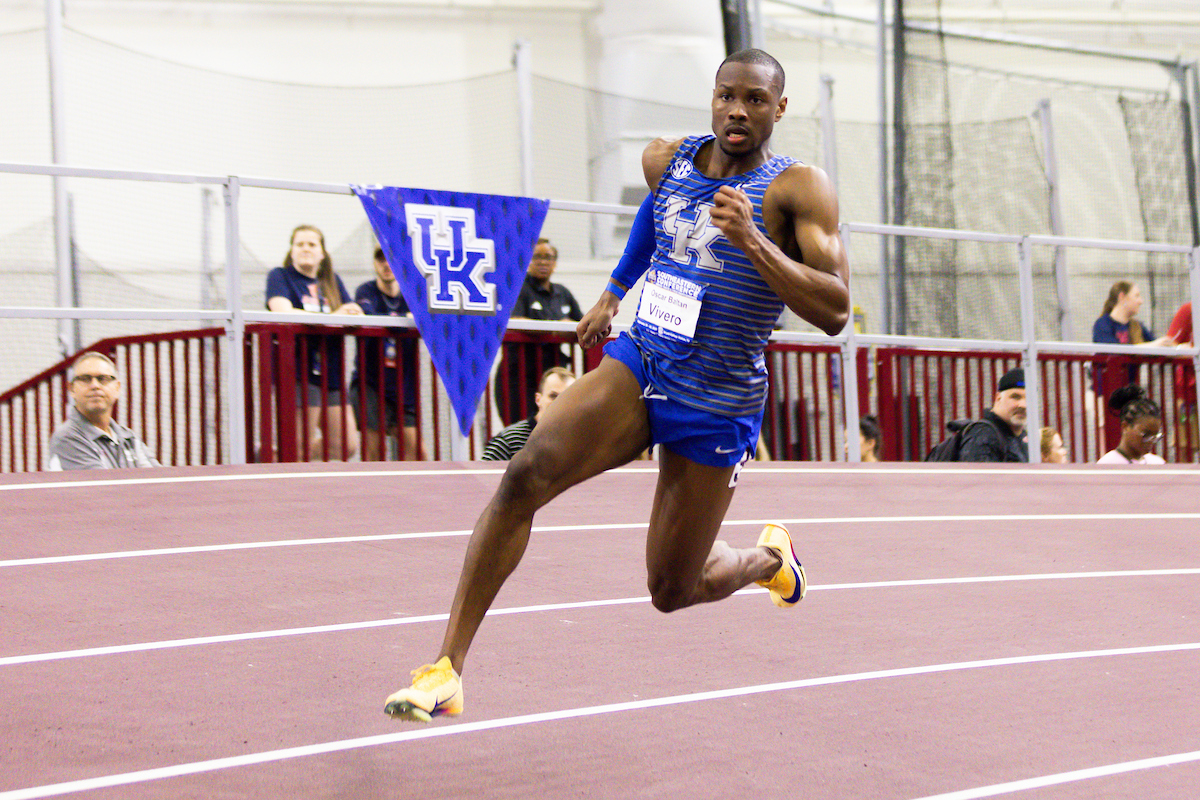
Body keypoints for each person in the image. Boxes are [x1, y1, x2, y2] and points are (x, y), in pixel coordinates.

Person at [383, 48, 850, 722]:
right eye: (726, 96)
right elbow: (654, 216)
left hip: (715, 398)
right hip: (645, 358)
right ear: (712, 98)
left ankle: (767, 560)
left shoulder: (797, 189)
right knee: (524, 475)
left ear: (779, 108)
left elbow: (835, 308)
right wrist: (613, 290)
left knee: (672, 588)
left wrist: (754, 241)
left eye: (754, 100)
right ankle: (446, 670)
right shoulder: (666, 160)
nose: (737, 111)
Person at [265, 225, 363, 461]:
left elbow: (351, 311)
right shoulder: (280, 276)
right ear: (291, 250)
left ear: (322, 253)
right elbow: (282, 310)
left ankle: (275, 456)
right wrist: (333, 317)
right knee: (299, 444)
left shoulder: (331, 282)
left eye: (312, 244)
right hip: (298, 370)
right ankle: (282, 461)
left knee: (346, 445)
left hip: (331, 372)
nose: (306, 249)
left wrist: (353, 312)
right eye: (299, 244)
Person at [495, 238, 584, 425]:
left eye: (548, 257)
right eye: (537, 257)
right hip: (519, 376)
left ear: (555, 263)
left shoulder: (562, 293)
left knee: (555, 427)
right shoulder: (518, 288)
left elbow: (582, 325)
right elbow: (514, 321)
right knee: (522, 430)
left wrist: (569, 327)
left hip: (552, 375)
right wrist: (555, 328)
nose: (543, 262)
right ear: (527, 261)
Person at [350, 247, 424, 461]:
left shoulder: (414, 293)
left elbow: (429, 317)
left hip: (403, 387)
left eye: (391, 258)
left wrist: (410, 319)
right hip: (371, 383)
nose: (386, 264)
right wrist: (405, 320)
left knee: (418, 454)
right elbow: (373, 318)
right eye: (380, 259)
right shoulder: (366, 291)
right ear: (374, 264)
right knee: (374, 454)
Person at [47, 352, 160, 470]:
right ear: (71, 389)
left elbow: (160, 477)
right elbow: (101, 482)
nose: (95, 385)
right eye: (85, 379)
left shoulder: (129, 438)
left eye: (103, 379)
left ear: (117, 388)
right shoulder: (67, 438)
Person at [481, 367, 576, 461]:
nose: (559, 402)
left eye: (567, 397)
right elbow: (483, 470)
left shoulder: (579, 441)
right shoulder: (508, 442)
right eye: (553, 396)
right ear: (538, 399)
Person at [957, 367, 1029, 463]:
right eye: (1015, 397)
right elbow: (976, 472)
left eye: (1029, 398)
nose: (1023, 405)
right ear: (998, 398)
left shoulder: (1024, 437)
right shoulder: (984, 434)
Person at [1097, 384, 1166, 464]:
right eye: (1146, 434)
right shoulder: (1108, 464)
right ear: (1125, 426)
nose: (1151, 442)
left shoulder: (1157, 463)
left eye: (1155, 436)